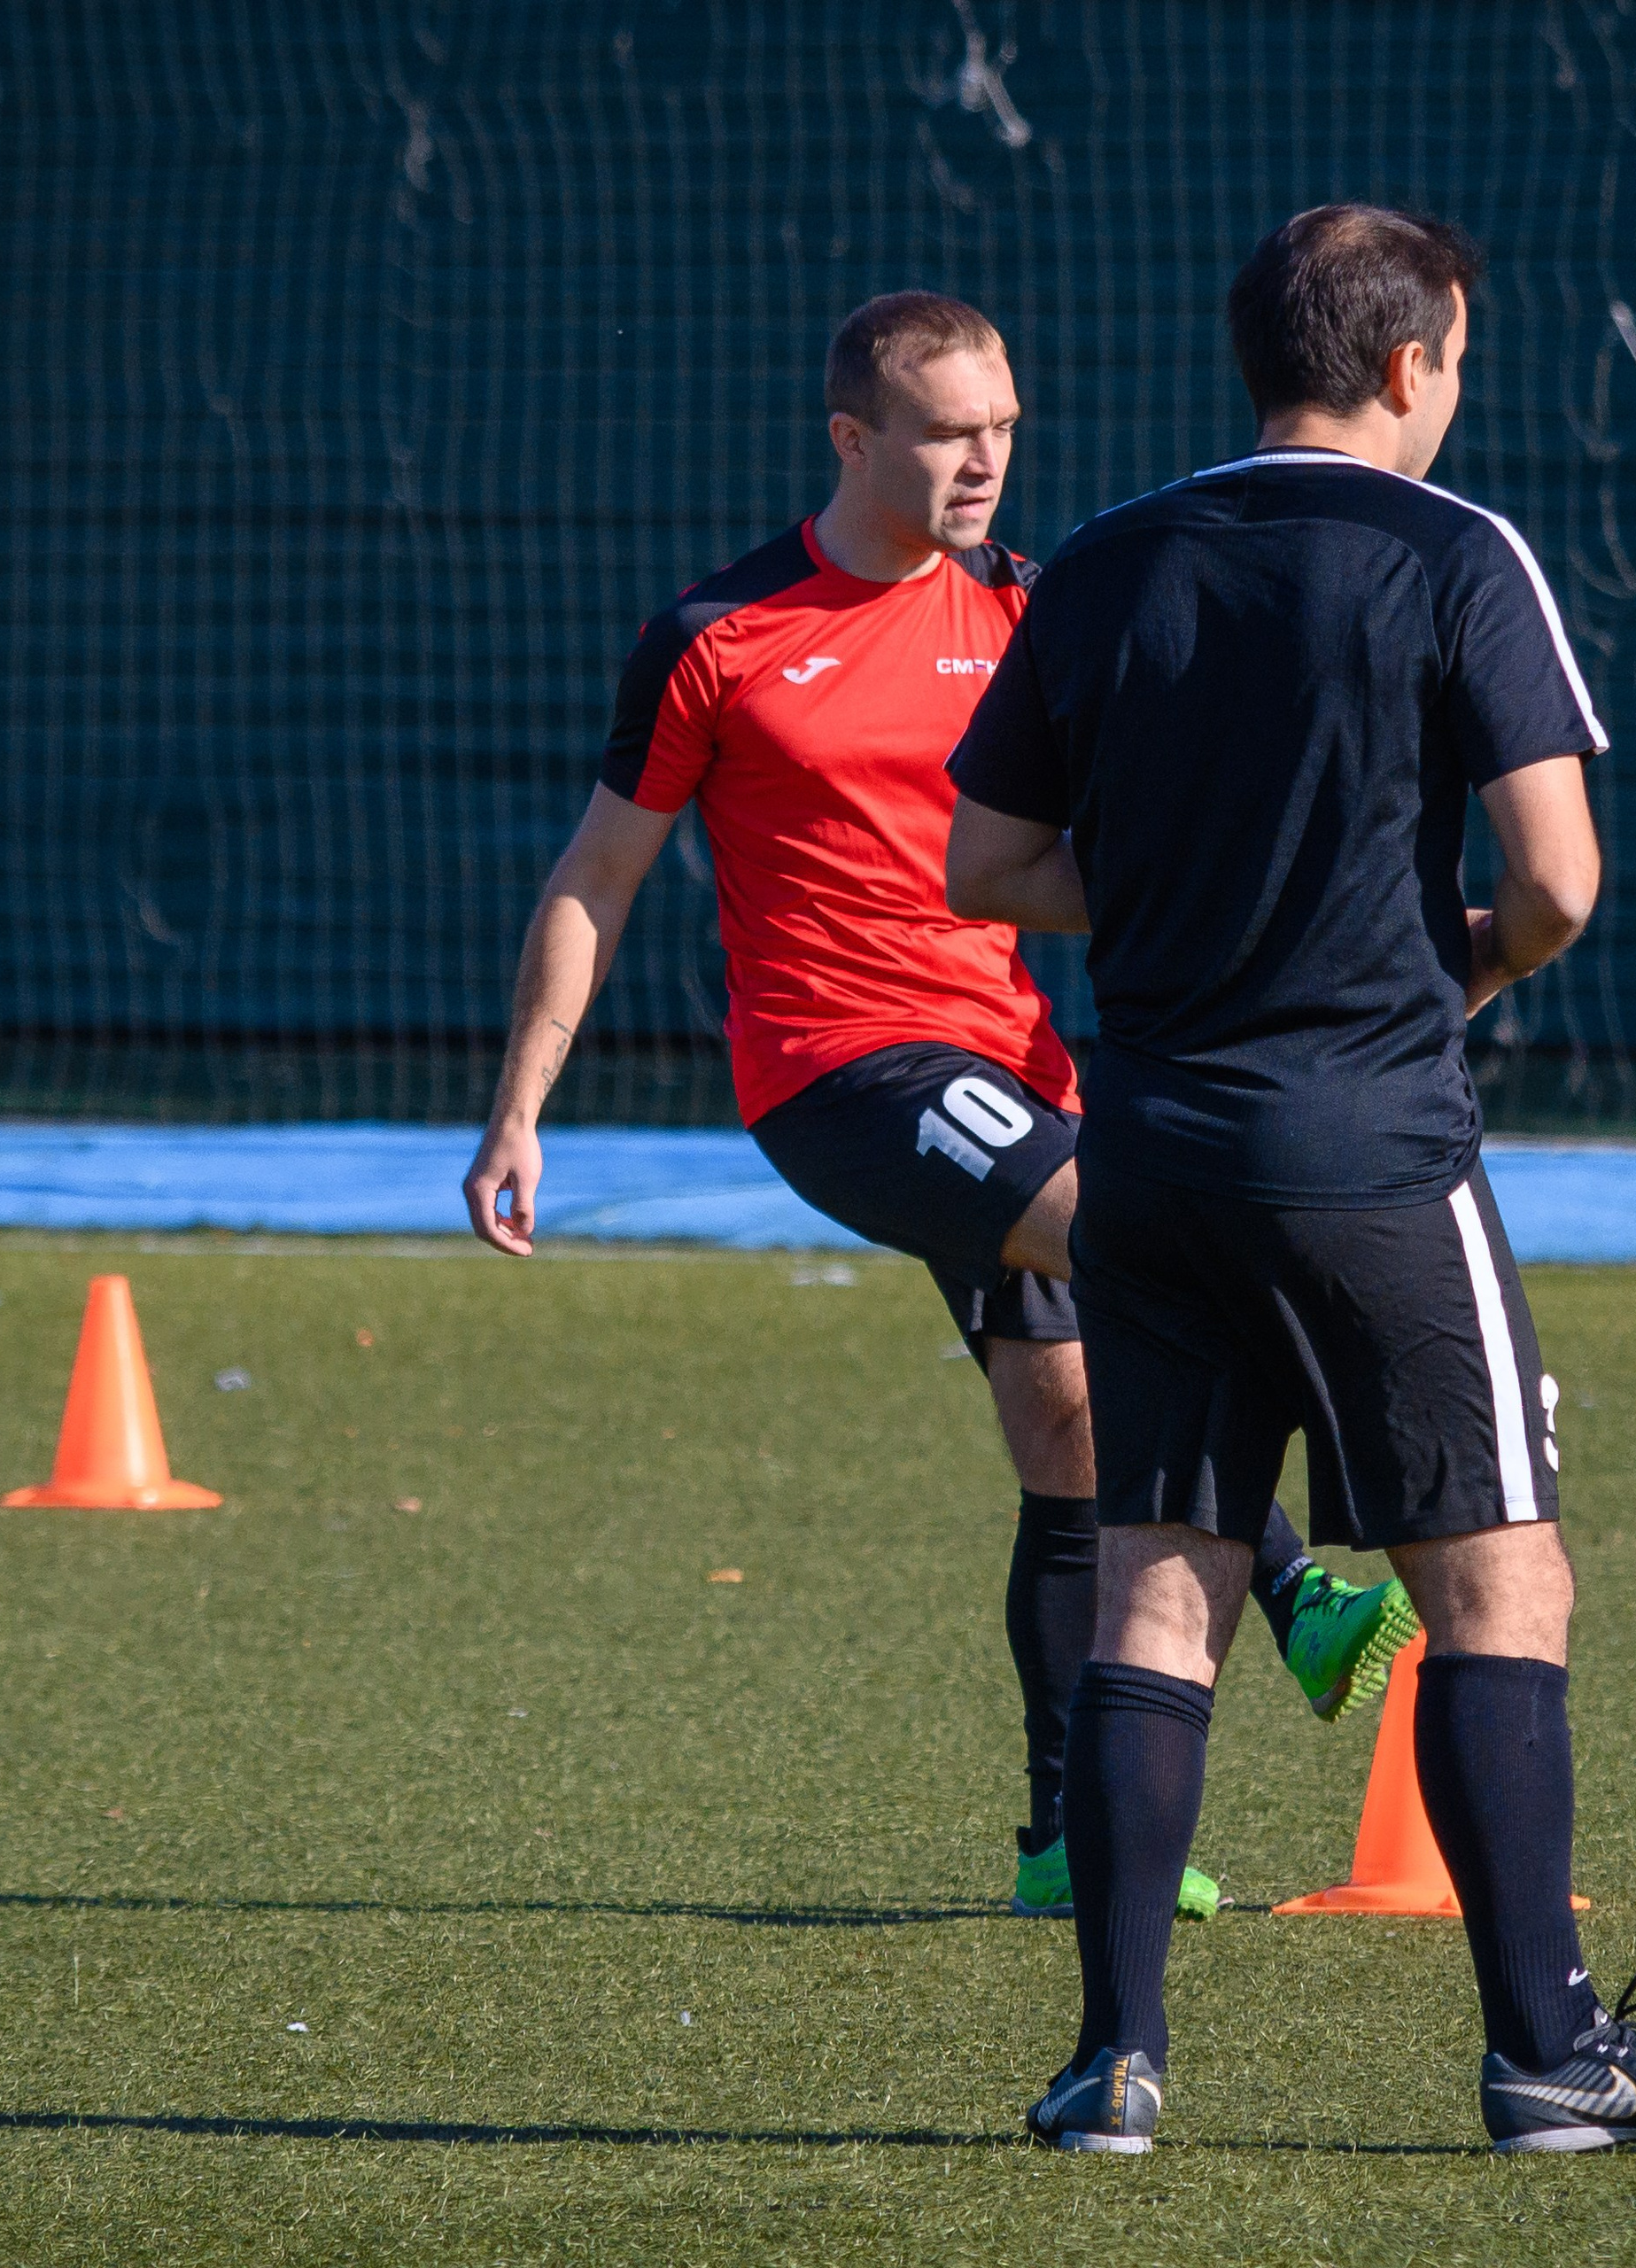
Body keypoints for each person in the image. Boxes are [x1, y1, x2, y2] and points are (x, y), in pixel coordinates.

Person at [946, 206, 1636, 2151]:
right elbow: (1563, 879)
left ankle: (1111, 2063)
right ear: (1409, 362)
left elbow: (984, 870)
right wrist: (1461, 955)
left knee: (1155, 1591)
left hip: (1145, 1151)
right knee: (1497, 1576)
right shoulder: (1456, 552)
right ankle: (1542, 2052)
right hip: (1368, 1147)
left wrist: (1176, 918)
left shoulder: (1101, 561)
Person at [461, 290, 1415, 1922]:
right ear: (854, 439)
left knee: (1071, 1444)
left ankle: (1066, 1845)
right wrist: (518, 1109)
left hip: (1022, 1069)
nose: (988, 459)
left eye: (1007, 428)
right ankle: (1299, 1582)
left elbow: (1133, 830)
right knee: (1150, 1241)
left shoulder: (1037, 607)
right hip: (844, 1075)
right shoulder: (720, 635)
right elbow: (596, 874)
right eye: (951, 430)